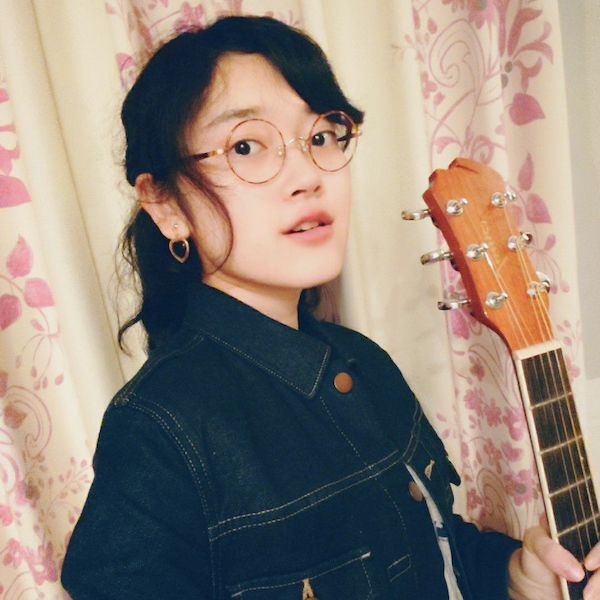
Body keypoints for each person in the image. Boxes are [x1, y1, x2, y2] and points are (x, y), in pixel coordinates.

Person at [61, 15, 599, 600]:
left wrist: (515, 576)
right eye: (245, 146)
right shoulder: (158, 429)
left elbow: (437, 549)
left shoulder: (364, 362)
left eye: (321, 137)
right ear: (166, 206)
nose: (307, 176)